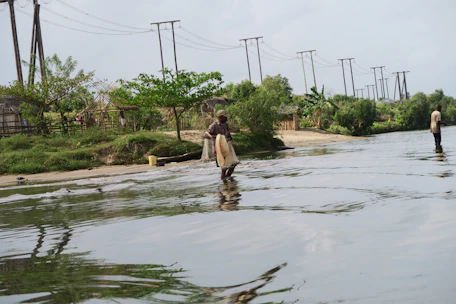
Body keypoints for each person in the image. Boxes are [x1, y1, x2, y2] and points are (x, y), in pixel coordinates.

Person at [205, 110, 239, 179]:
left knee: (233, 164)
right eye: (224, 117)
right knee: (223, 168)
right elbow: (206, 135)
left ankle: (228, 179)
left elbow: (229, 136)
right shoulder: (214, 125)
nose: (226, 118)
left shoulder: (226, 125)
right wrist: (218, 137)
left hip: (227, 147)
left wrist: (227, 139)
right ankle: (224, 184)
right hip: (219, 149)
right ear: (220, 117)